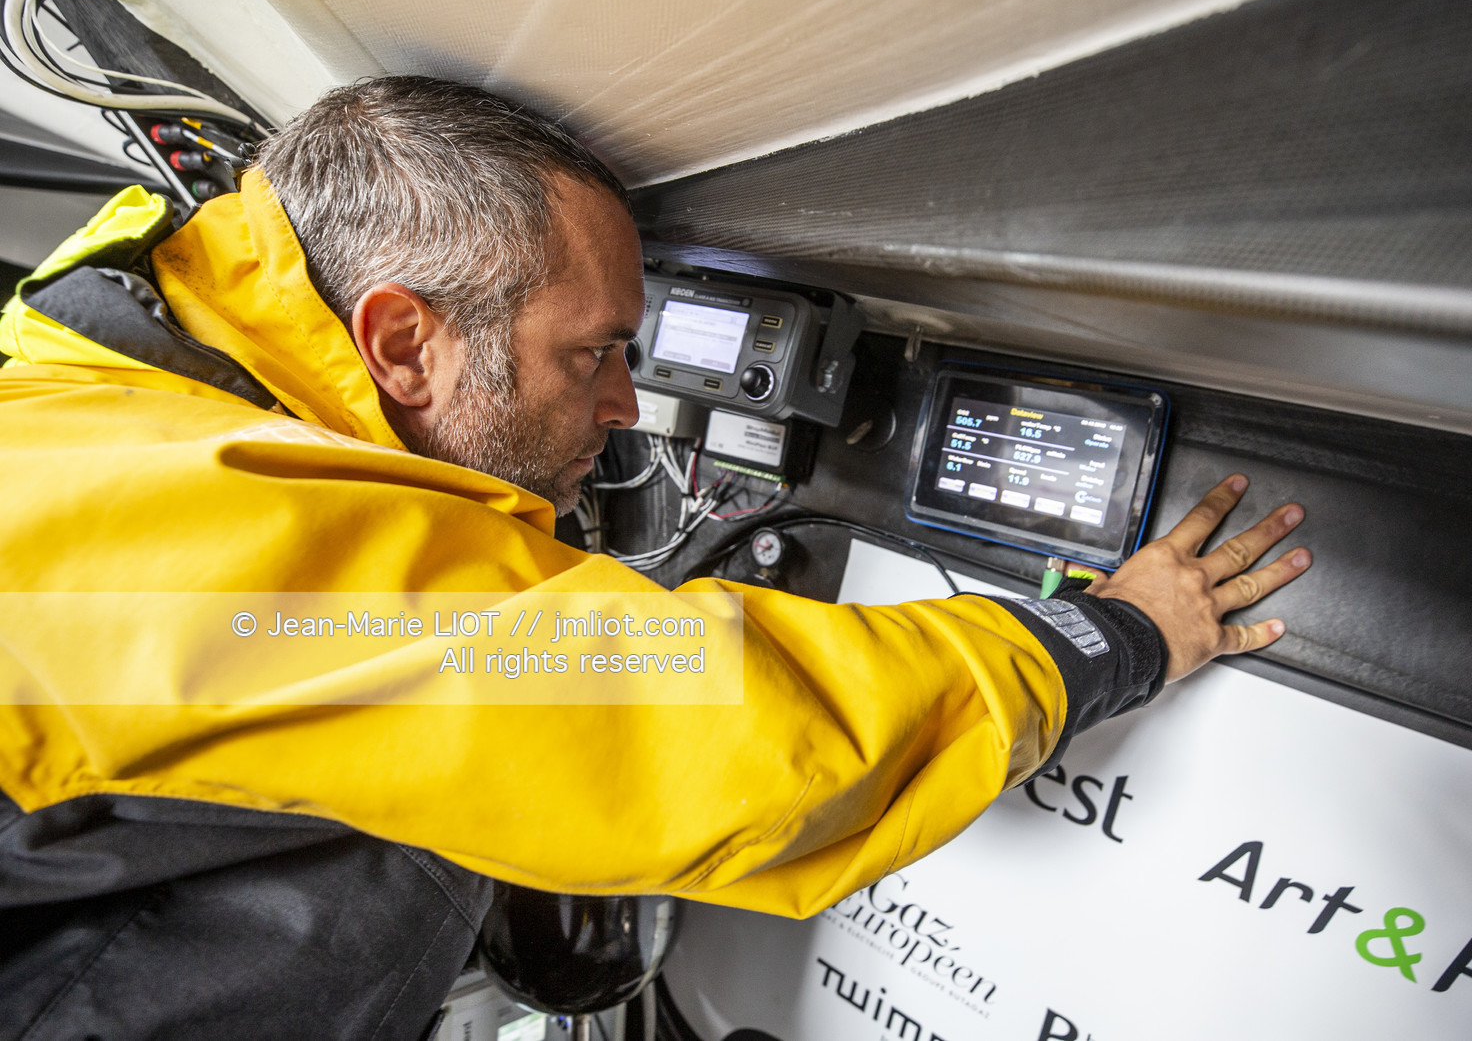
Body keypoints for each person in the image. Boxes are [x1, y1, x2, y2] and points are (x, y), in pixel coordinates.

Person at [0, 76, 1310, 1040]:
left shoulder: (115, 404)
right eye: (595, 351)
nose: (625, 407)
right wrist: (1110, 635)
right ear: (403, 344)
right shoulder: (204, 523)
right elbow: (720, 739)